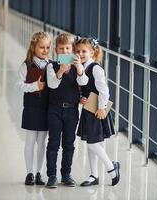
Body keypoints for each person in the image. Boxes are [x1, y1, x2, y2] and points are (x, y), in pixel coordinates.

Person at [75, 37, 120, 186]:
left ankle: (112, 168)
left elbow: (104, 90)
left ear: (92, 52)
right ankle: (94, 175)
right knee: (91, 143)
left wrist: (102, 107)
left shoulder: (95, 68)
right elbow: (84, 86)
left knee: (93, 143)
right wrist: (82, 98)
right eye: (78, 51)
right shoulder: (81, 67)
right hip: (88, 108)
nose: (80, 54)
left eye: (84, 51)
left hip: (96, 110)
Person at [45, 33, 88, 188]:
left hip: (72, 111)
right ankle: (51, 175)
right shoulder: (52, 66)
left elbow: (83, 81)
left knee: (69, 144)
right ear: (56, 50)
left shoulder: (78, 66)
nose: (64, 52)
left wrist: (78, 68)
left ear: (73, 50)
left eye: (68, 48)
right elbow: (52, 85)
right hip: (54, 110)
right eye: (61, 49)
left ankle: (66, 174)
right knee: (53, 143)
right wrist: (60, 71)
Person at [16, 32, 51, 185]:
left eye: (48, 47)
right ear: (34, 47)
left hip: (46, 108)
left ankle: (39, 173)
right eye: (41, 47)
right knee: (30, 140)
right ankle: (29, 173)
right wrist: (34, 86)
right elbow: (19, 85)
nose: (45, 50)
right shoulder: (26, 65)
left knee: (42, 141)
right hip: (31, 107)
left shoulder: (52, 64)